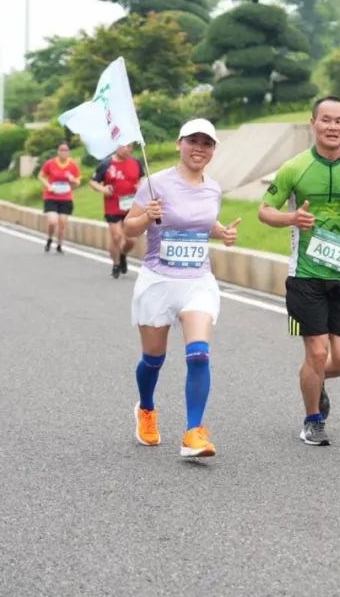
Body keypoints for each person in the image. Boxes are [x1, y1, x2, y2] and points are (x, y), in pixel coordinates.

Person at [258, 96, 340, 447]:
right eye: (325, 120)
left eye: (339, 121)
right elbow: (265, 211)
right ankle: (313, 420)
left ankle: (314, 381)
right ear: (313, 122)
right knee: (316, 353)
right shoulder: (294, 168)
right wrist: (291, 218)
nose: (333, 127)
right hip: (306, 276)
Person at [123, 118, 240, 459]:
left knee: (199, 353)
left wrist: (222, 233)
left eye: (207, 143)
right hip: (158, 280)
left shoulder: (213, 189)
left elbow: (202, 222)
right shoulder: (155, 184)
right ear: (180, 144)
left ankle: (193, 433)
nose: (199, 148)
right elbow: (128, 229)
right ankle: (146, 408)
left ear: (213, 151)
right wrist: (146, 217)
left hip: (197, 282)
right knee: (153, 359)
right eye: (193, 141)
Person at [89, 142, 144, 278]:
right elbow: (93, 181)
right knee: (116, 237)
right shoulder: (106, 164)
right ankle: (116, 264)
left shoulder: (136, 162)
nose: (126, 149)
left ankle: (123, 254)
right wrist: (103, 189)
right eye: (123, 146)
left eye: (129, 147)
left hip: (131, 207)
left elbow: (141, 179)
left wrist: (139, 186)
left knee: (131, 241)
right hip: (113, 206)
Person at [37, 141, 81, 254]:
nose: (64, 152)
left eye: (66, 150)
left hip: (66, 198)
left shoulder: (73, 165)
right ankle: (50, 238)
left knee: (62, 223)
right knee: (53, 221)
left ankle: (59, 245)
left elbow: (78, 183)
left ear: (69, 152)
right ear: (58, 151)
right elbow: (41, 176)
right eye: (61, 150)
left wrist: (73, 180)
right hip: (51, 197)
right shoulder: (50, 163)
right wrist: (48, 186)